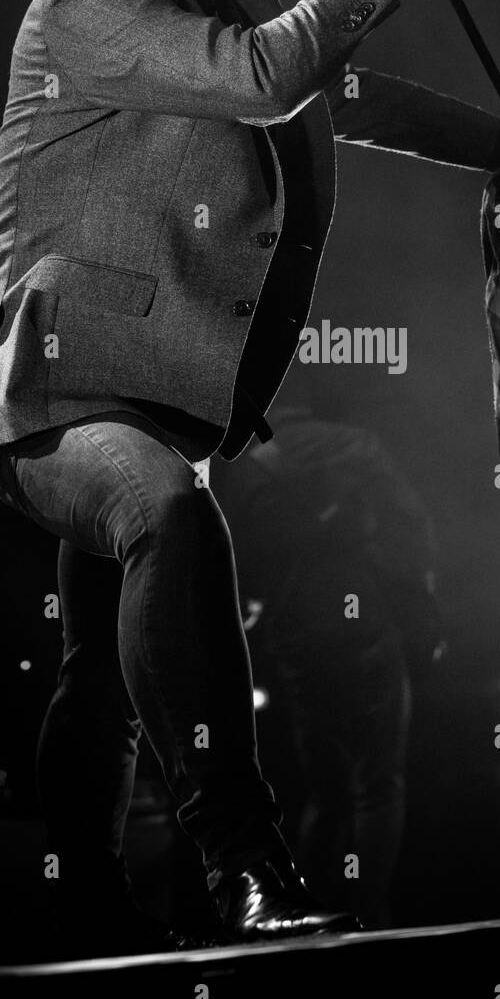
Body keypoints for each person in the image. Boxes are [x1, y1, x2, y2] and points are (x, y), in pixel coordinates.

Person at [0, 0, 500, 955]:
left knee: (101, 662)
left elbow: (342, 92)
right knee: (168, 519)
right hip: (45, 379)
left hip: (150, 393)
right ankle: (246, 861)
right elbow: (262, 78)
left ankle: (80, 891)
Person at [213, 377, 446, 930]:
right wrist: (421, 604)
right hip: (360, 614)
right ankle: (371, 918)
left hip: (292, 632)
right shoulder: (353, 444)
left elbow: (227, 560)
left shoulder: (233, 470)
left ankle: (305, 917)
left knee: (326, 790)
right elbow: (412, 528)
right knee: (378, 781)